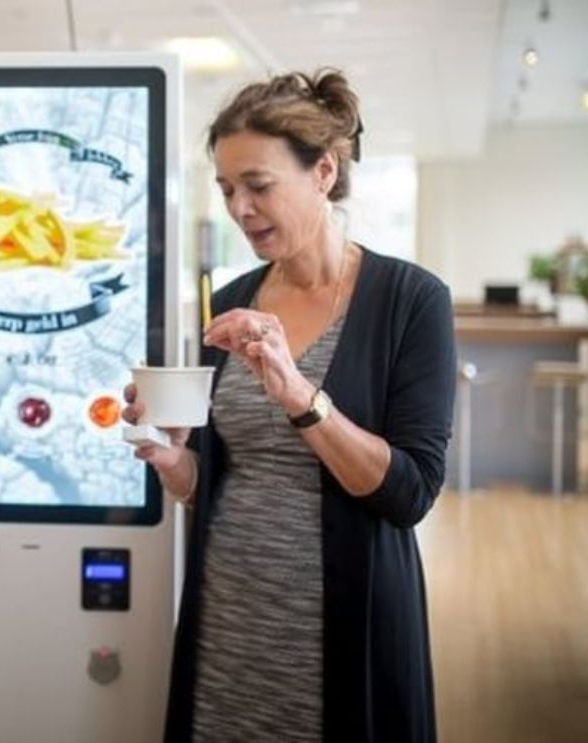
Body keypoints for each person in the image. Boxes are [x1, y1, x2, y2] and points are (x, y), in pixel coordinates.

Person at [124, 70, 455, 742]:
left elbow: (410, 492)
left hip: (343, 630)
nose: (240, 207)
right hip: (230, 619)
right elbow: (227, 479)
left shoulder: (411, 301)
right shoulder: (233, 300)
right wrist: (177, 464)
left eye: (258, 185)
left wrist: (299, 394)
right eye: (226, 189)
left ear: (324, 171)